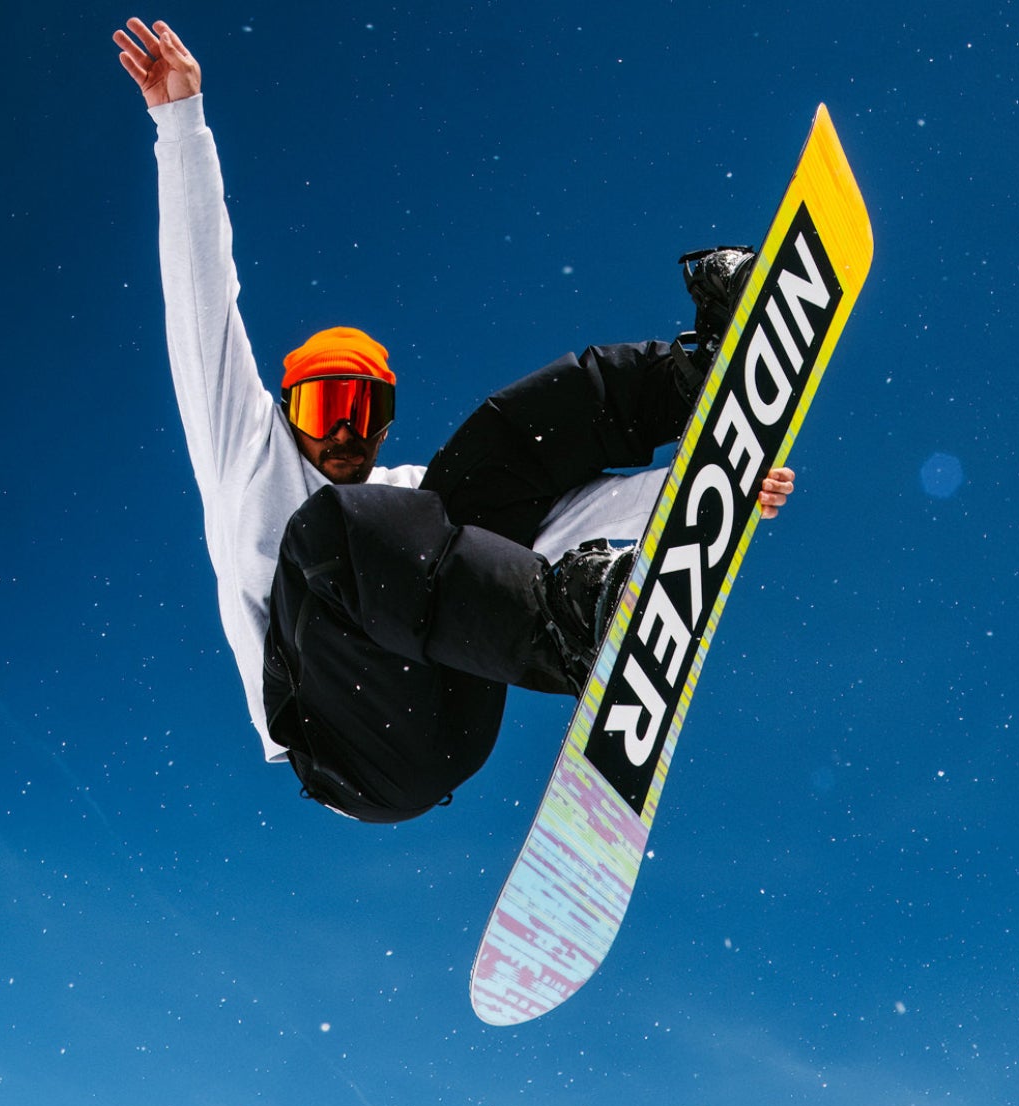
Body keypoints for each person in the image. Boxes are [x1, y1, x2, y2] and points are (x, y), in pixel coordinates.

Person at [116, 18, 795, 823]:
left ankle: (693, 374)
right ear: (287, 407)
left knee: (488, 458)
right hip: (355, 753)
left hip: (455, 691)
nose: (344, 434)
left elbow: (553, 521)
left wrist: (708, 482)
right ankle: (570, 628)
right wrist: (180, 124)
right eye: (325, 407)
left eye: (365, 413)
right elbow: (202, 311)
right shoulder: (247, 459)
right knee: (334, 529)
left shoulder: (404, 505)